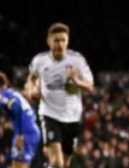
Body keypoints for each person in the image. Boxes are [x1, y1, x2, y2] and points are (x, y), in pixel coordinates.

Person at [26, 22, 94, 168]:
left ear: (67, 41)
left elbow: (90, 86)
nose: (60, 44)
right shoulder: (39, 60)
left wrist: (76, 81)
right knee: (57, 163)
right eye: (56, 40)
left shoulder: (77, 60)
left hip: (72, 117)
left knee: (65, 164)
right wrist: (32, 91)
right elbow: (31, 79)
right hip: (50, 115)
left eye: (63, 40)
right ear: (49, 41)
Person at [0, 71, 41, 168]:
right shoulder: (11, 93)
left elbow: (16, 108)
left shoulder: (2, 96)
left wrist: (20, 134)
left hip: (25, 133)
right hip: (30, 131)